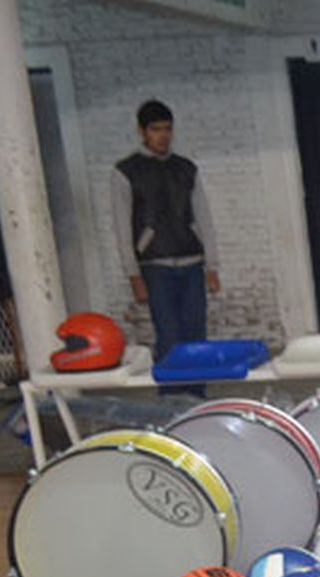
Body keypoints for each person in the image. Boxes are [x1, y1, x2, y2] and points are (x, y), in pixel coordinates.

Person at [111, 99, 219, 389]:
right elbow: (122, 227)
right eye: (156, 129)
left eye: (167, 129)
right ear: (142, 131)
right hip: (155, 267)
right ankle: (172, 399)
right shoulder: (126, 172)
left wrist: (212, 265)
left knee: (196, 335)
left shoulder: (186, 169)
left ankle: (197, 397)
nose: (163, 136)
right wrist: (133, 275)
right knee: (169, 336)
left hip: (192, 262)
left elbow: (203, 217)